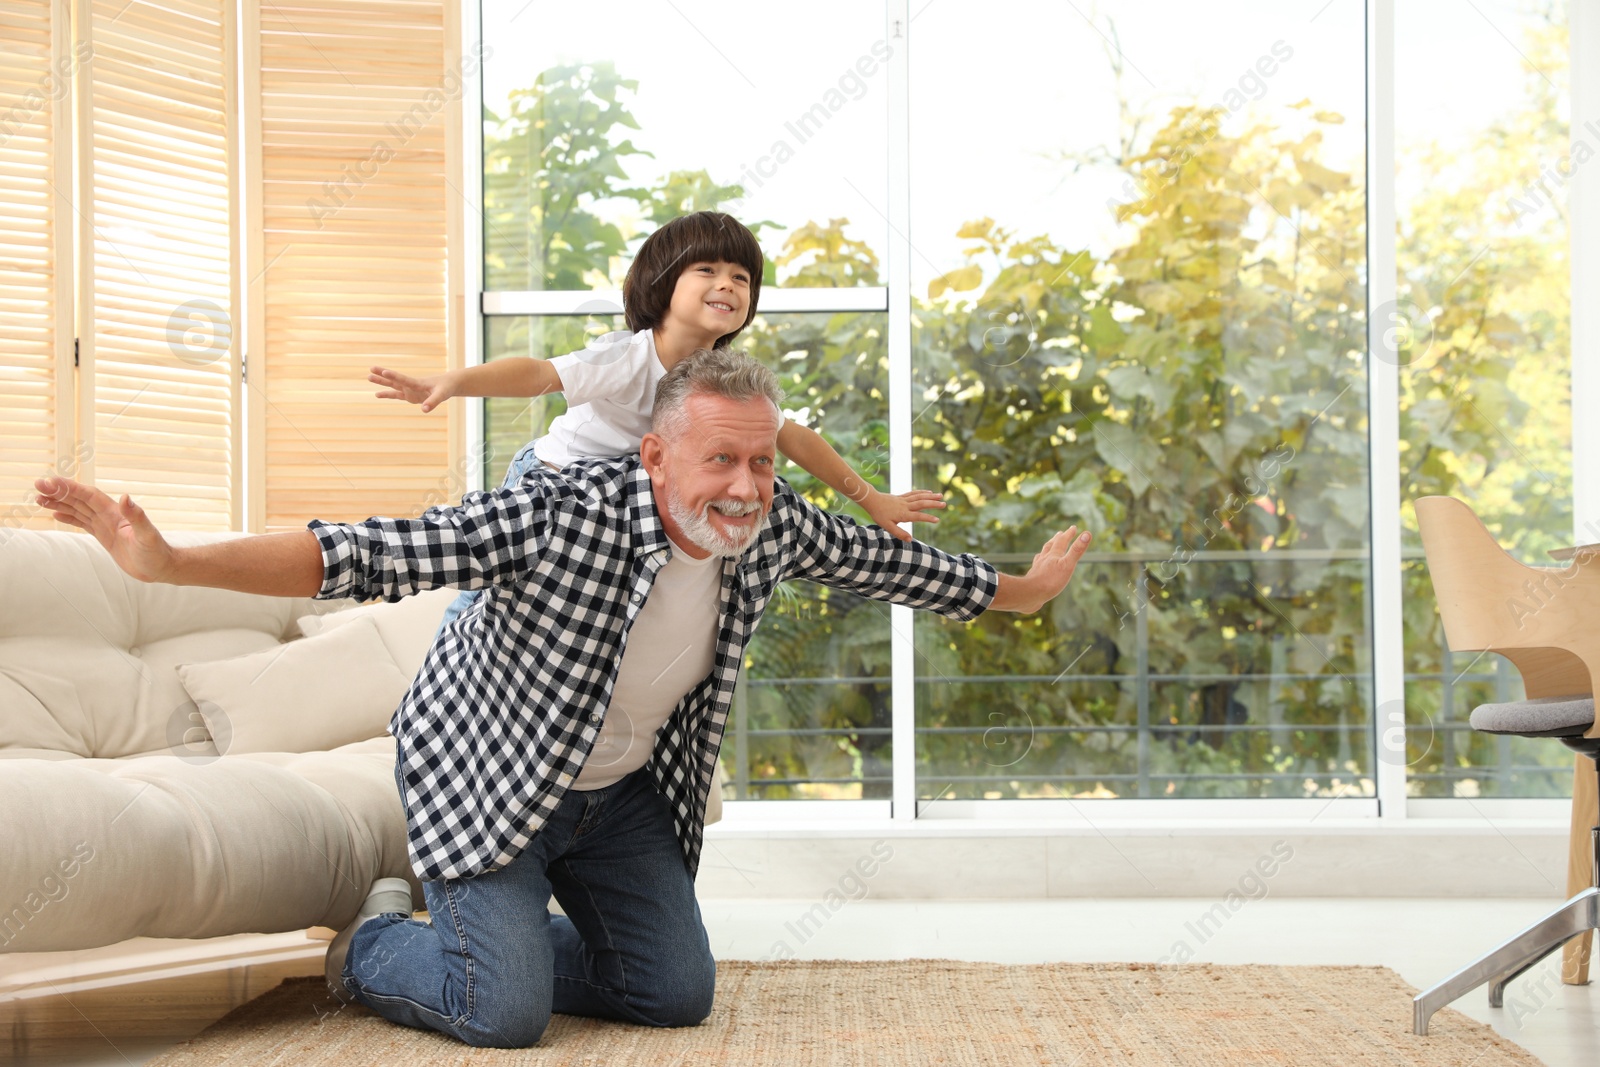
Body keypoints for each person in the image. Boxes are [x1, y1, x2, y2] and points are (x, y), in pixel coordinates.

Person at [34, 348, 1092, 1050]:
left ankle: (502, 935)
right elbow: (367, 549)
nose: (746, 484)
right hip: (490, 782)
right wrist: (169, 560)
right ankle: (371, 943)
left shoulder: (770, 523)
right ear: (654, 452)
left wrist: (1021, 590)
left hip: (620, 793)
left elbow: (888, 563)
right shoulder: (555, 515)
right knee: (501, 1013)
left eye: (763, 460)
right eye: (720, 457)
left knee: (674, 995)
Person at [368, 210, 943, 627]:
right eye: (708, 271)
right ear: (664, 284)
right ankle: (448, 670)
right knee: (491, 595)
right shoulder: (628, 355)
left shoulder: (723, 380)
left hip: (625, 497)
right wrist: (453, 383)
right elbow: (539, 373)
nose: (727, 285)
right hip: (553, 480)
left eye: (741, 278)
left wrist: (872, 499)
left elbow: (793, 438)